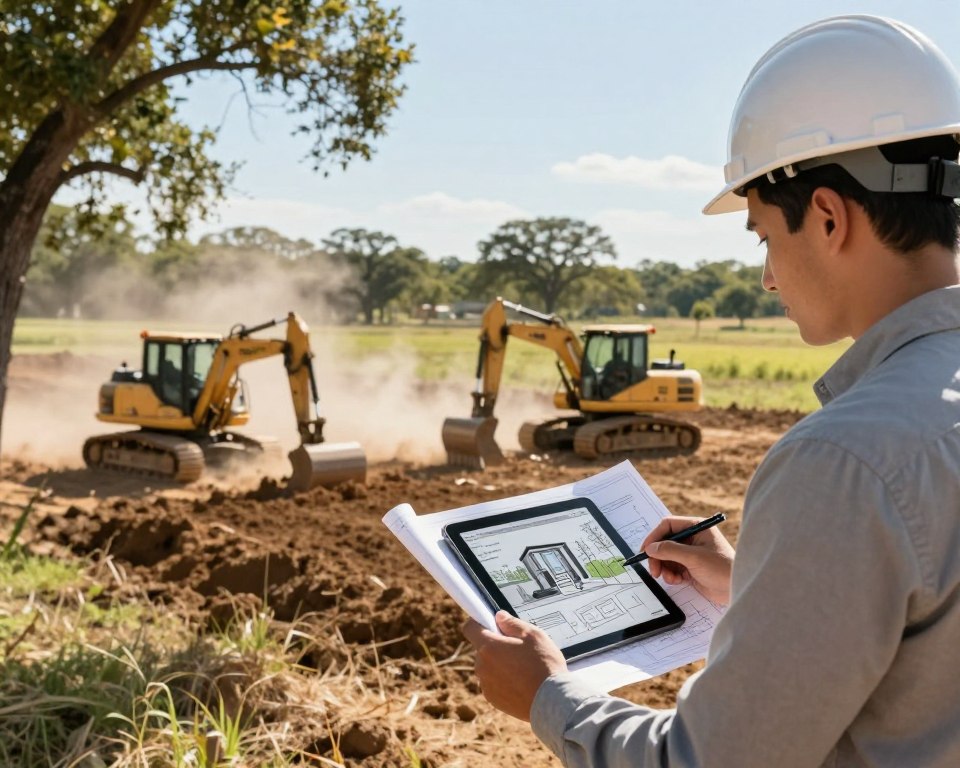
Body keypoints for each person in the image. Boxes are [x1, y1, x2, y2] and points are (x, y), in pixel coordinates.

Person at [463, 15, 960, 767]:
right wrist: (758, 585)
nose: (766, 275)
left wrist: (545, 695)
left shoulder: (845, 462)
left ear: (826, 217)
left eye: (763, 235)